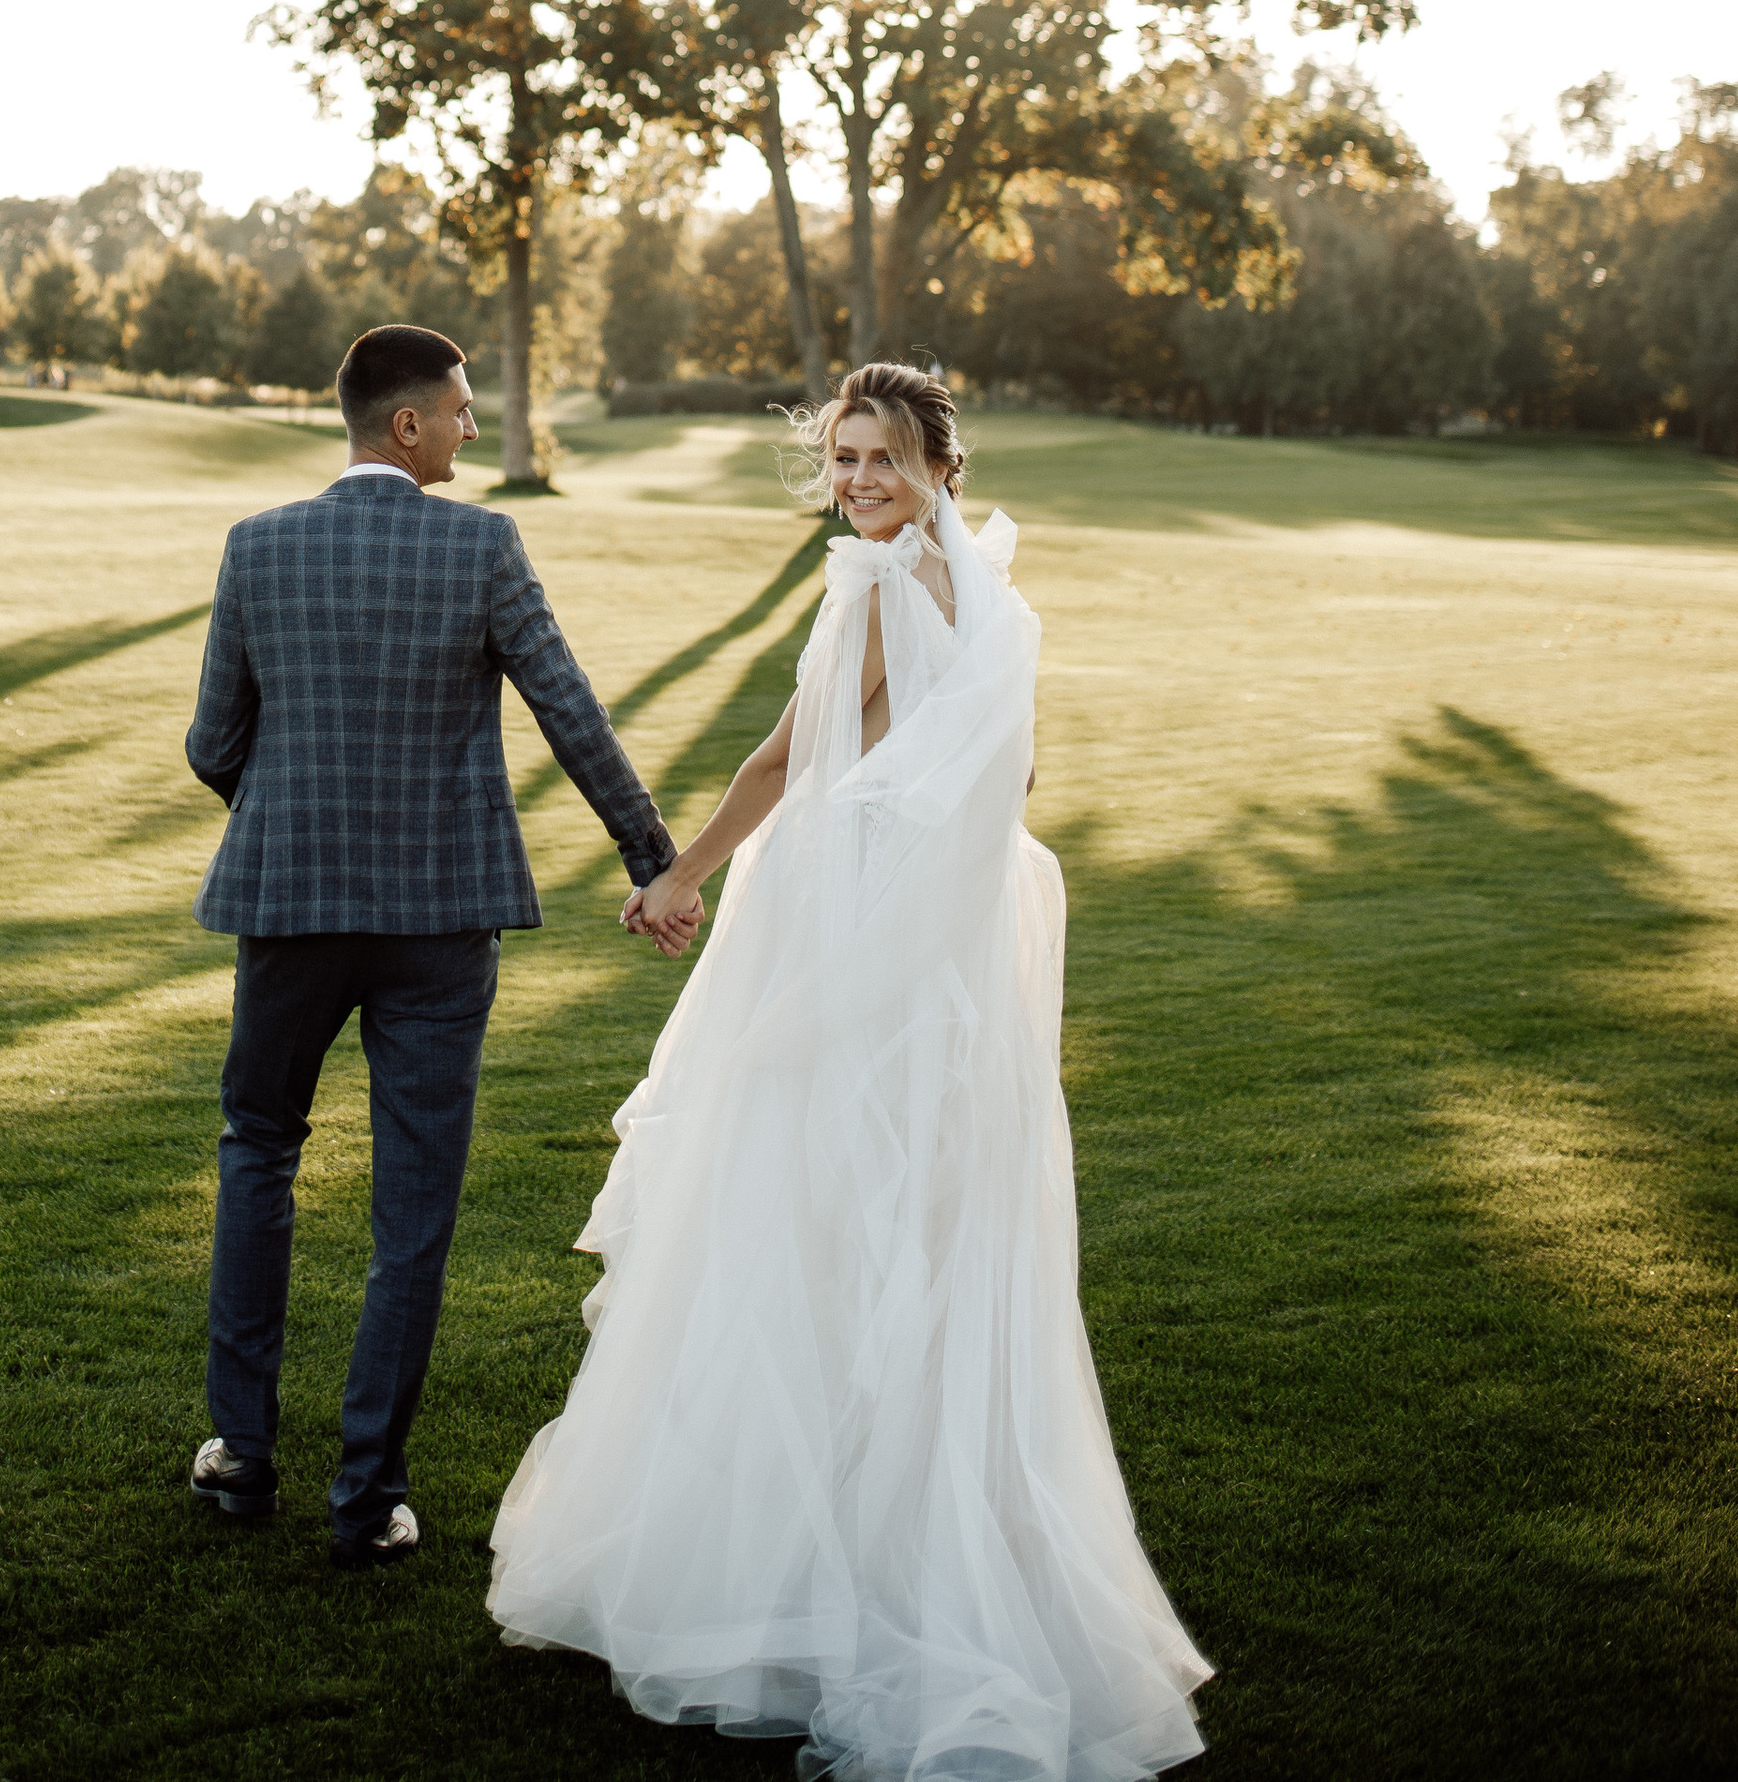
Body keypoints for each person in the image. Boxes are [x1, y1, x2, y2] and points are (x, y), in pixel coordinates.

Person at [488, 363, 1211, 1782]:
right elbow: (1004, 788)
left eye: (881, 457)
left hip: (842, 930)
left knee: (783, 1222)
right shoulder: (989, 593)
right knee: (898, 1238)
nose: (859, 481)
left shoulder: (883, 587)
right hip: (937, 958)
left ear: (939, 460)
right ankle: (874, 1555)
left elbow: (779, 758)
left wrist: (675, 872)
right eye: (842, 458)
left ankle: (786, 1585)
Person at [183, 321, 690, 1569]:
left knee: (259, 1154)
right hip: (439, 926)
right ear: (403, 425)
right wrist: (652, 858)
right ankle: (369, 1498)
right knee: (413, 1210)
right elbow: (568, 707)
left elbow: (212, 743)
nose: (472, 424)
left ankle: (243, 1459)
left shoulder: (258, 548)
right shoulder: (481, 545)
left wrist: (293, 813)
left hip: (288, 912)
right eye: (461, 408)